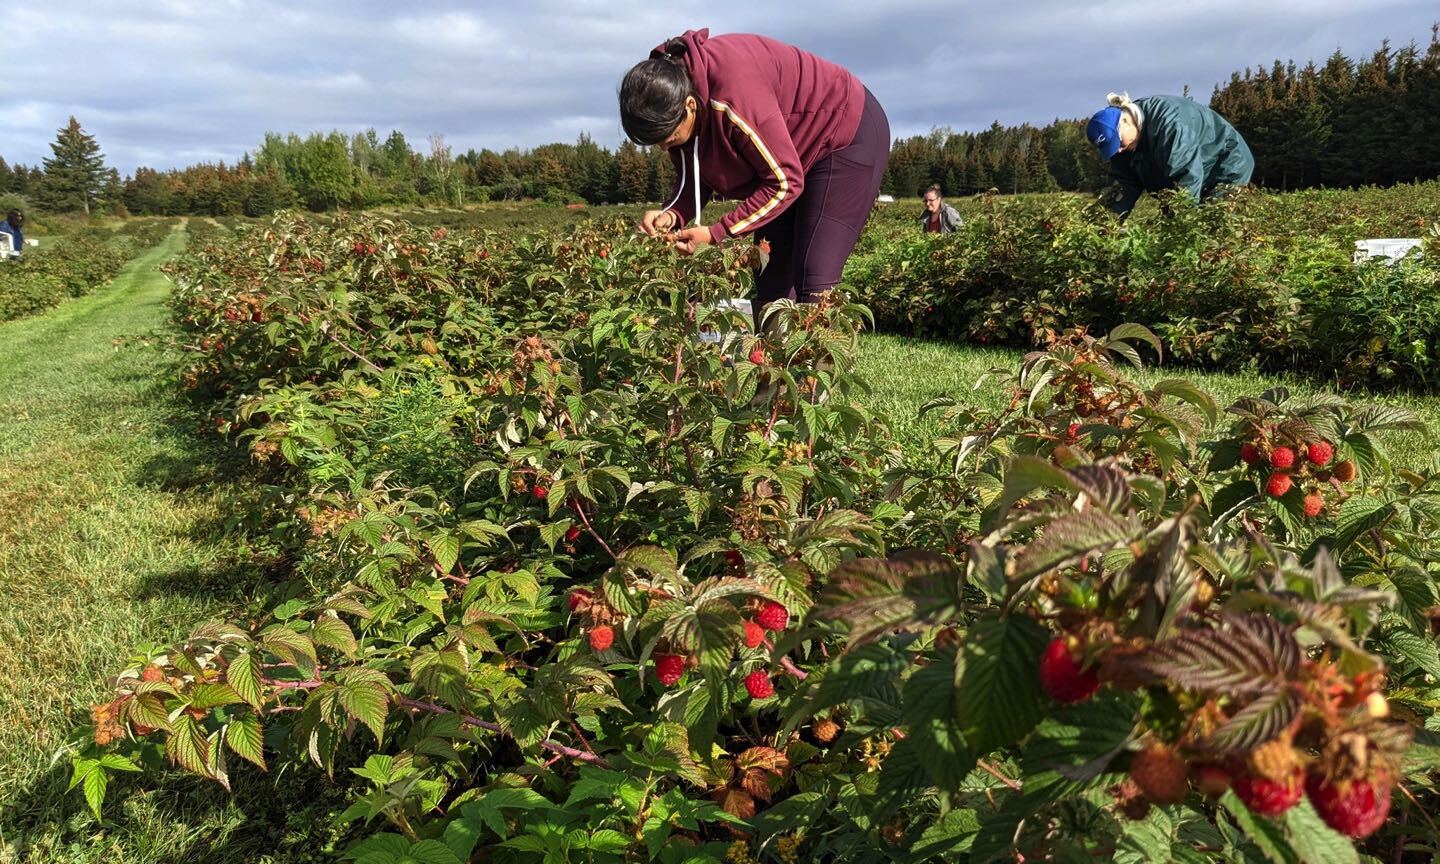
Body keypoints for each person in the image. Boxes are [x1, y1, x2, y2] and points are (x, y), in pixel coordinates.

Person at [620, 29, 890, 326]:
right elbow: (693, 176)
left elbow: (785, 182)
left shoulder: (732, 94)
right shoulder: (677, 98)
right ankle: (769, 368)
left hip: (842, 133)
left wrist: (716, 234)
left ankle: (822, 371)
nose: (664, 147)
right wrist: (670, 215)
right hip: (788, 157)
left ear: (690, 107)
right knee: (770, 273)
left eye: (668, 139)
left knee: (815, 276)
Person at [1086, 92, 1254, 218]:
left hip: (1226, 166)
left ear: (1126, 121)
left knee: (1210, 225)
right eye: (1112, 148)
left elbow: (1187, 179)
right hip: (1191, 173)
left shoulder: (1168, 126)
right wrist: (1102, 229)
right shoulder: (1123, 144)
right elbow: (1124, 187)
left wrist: (1176, 228)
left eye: (1119, 143)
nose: (1119, 151)